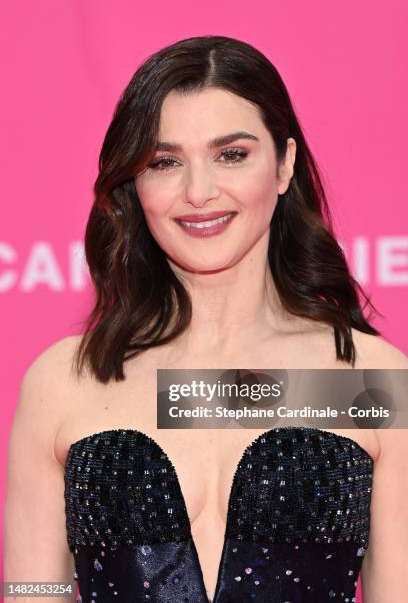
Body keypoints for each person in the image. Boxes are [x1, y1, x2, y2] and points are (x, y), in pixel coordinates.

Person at [4, 35, 408, 603]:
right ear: (134, 184)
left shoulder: (370, 383)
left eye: (231, 154)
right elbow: (30, 589)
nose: (198, 192)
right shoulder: (63, 384)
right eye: (164, 162)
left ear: (285, 163)